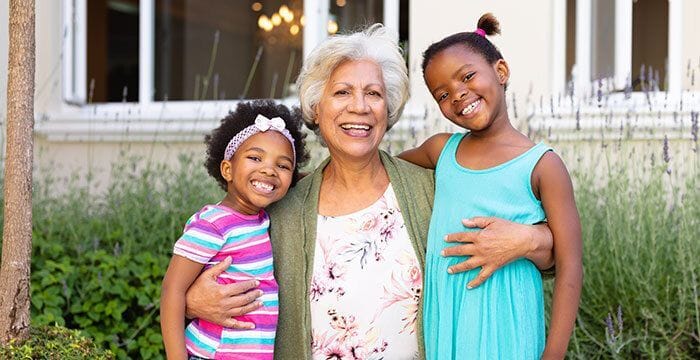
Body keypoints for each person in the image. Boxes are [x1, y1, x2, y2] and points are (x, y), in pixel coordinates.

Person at [185, 25, 555, 359]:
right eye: (342, 92)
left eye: (373, 93)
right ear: (316, 107)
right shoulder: (282, 206)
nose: (359, 107)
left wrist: (533, 238)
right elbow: (214, 274)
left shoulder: (431, 187)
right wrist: (191, 302)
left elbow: (531, 250)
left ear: (388, 109)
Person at [399, 14, 583, 359]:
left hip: (508, 325)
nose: (458, 95)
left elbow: (571, 265)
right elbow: (382, 169)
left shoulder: (542, 165)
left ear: (500, 71)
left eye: (467, 76)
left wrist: (554, 353)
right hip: (447, 321)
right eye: (442, 94)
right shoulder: (440, 151)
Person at [160, 100, 308, 360]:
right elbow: (172, 290)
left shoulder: (259, 219)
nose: (268, 170)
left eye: (283, 165)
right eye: (255, 158)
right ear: (227, 169)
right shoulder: (213, 224)